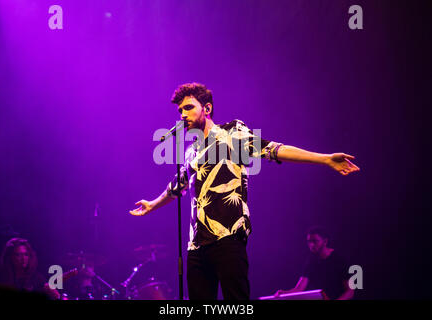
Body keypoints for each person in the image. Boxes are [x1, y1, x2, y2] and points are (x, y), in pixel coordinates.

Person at [129, 82, 360, 300]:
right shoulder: (191, 152)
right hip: (196, 246)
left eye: (188, 107)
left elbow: (273, 149)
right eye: (180, 110)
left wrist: (325, 159)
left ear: (207, 108)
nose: (182, 114)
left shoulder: (232, 133)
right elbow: (176, 187)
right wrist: (152, 204)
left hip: (228, 237)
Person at [275, 226, 355, 300]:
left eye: (315, 241)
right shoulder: (311, 260)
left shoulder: (339, 259)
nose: (311, 245)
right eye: (309, 242)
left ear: (325, 241)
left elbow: (350, 291)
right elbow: (299, 288)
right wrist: (283, 293)